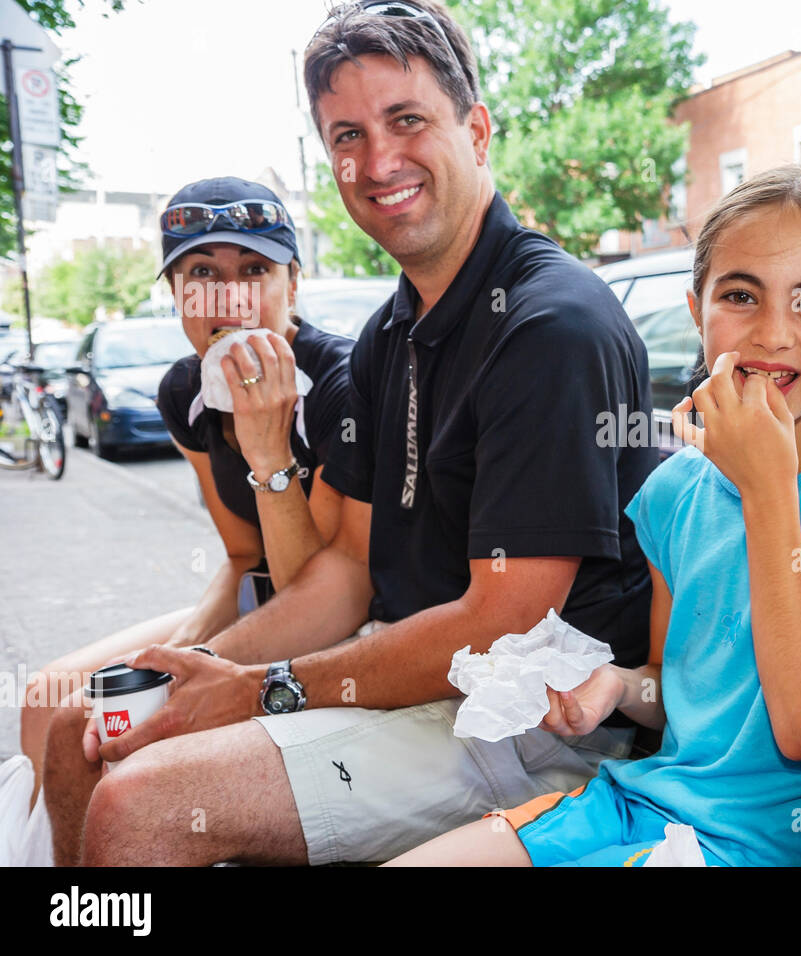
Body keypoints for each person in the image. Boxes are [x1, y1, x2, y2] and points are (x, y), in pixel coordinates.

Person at [69, 0, 655, 866]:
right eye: (347, 134)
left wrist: (258, 691)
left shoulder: (551, 324)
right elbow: (344, 572)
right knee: (96, 730)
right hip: (415, 678)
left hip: (541, 719)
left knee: (138, 805)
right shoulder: (392, 331)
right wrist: (198, 671)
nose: (377, 160)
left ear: (478, 130)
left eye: (406, 119)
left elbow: (502, 622)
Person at [388, 165, 801, 867]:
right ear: (697, 309)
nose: (772, 332)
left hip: (767, 842)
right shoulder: (673, 491)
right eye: (740, 295)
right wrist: (615, 685)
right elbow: (675, 686)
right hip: (640, 801)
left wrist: (768, 493)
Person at [26, 177, 354, 865]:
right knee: (46, 700)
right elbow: (241, 556)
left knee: (106, 737)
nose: (229, 298)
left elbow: (327, 593)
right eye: (202, 273)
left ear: (293, 284)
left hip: (338, 619)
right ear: (177, 295)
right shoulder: (185, 388)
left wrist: (268, 450)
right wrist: (174, 649)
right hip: (259, 595)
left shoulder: (339, 386)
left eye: (255, 271)